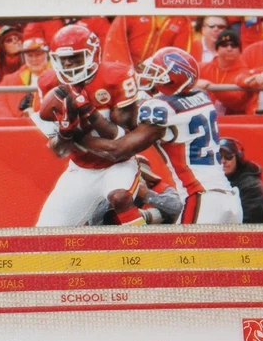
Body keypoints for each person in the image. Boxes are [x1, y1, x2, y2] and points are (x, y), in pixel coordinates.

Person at [79, 47, 241, 224]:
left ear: (171, 79)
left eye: (156, 73)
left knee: (184, 244)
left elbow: (119, 149)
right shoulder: (201, 96)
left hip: (202, 197)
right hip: (229, 197)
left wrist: (78, 137)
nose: (150, 77)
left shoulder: (162, 107)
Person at [33, 24, 145, 226]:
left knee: (120, 196)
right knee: (46, 231)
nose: (69, 65)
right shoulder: (48, 85)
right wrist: (65, 130)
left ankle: (143, 242)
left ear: (92, 54)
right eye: (63, 60)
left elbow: (121, 139)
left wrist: (87, 110)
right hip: (80, 169)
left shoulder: (115, 77)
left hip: (118, 165)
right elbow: (59, 150)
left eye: (75, 58)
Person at [198, 29, 263, 115]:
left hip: (234, 119)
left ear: (240, 51)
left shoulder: (243, 72)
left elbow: (235, 100)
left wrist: (211, 87)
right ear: (217, 49)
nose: (229, 48)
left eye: (234, 45)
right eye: (224, 45)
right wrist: (192, 83)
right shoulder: (203, 68)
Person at [0, 28, 51, 117]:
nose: (34, 59)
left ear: (47, 55)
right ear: (24, 57)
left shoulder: (59, 77)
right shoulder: (9, 80)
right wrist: (13, 123)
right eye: (30, 55)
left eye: (38, 55)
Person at [102, 15, 194, 71]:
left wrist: (158, 71)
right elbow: (114, 44)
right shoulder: (132, 11)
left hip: (157, 79)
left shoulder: (182, 20)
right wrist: (126, 70)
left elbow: (180, 57)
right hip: (127, 73)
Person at [219, 137, 263, 223]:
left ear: (238, 158)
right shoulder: (216, 182)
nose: (223, 161)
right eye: (218, 157)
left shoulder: (252, 187)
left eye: (228, 156)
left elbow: (247, 223)